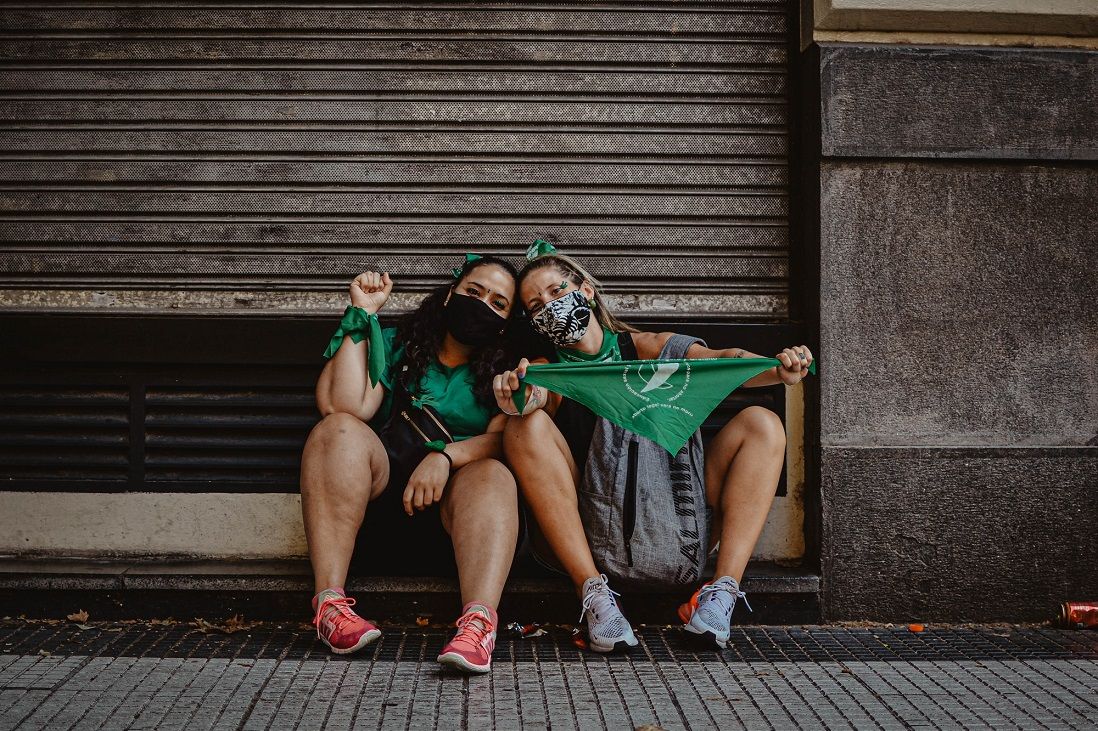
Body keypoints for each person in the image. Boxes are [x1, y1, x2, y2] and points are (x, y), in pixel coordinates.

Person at [493, 249, 814, 652]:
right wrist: (516, 395)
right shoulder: (551, 368)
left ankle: (722, 593)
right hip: (595, 530)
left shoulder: (651, 348)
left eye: (557, 291)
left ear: (586, 292)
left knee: (762, 424)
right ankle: (594, 597)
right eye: (536, 306)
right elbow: (532, 396)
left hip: (681, 519)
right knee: (525, 426)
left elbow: (723, 361)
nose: (551, 308)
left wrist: (776, 369)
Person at [300, 255, 521, 673]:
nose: (481, 306)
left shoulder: (507, 372)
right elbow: (341, 405)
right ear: (449, 295)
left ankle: (478, 624)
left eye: (498, 302)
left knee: (493, 473)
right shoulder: (398, 343)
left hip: (462, 522)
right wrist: (362, 316)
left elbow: (506, 442)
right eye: (474, 293)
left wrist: (445, 455)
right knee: (337, 431)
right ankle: (329, 607)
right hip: (376, 512)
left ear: (507, 322)